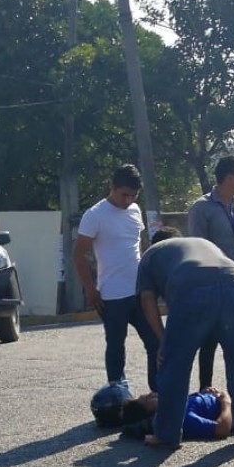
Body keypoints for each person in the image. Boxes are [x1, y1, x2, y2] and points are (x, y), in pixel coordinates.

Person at [136, 229, 234, 448]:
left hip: (192, 287)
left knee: (175, 364)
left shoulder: (149, 255)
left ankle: (167, 435)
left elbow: (147, 302)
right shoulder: (202, 241)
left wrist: (163, 342)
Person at [73, 164, 159, 391]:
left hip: (140, 291)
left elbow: (138, 245)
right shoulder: (95, 215)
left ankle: (159, 392)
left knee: (155, 341)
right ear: (112, 186)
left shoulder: (135, 210)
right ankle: (118, 395)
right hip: (112, 294)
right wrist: (90, 289)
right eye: (124, 195)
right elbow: (78, 255)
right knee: (116, 346)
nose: (128, 200)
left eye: (133, 195)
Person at [188, 156, 234, 391]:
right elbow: (197, 248)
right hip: (215, 285)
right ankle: (205, 390)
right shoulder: (202, 207)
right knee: (209, 341)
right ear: (229, 177)